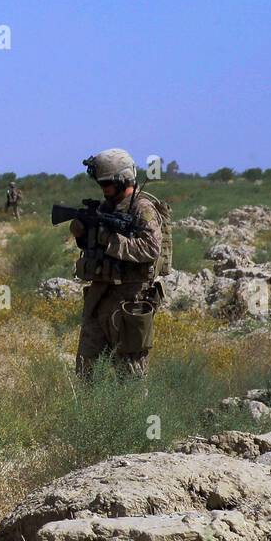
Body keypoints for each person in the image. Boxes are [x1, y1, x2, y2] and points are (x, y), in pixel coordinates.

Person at [68, 148, 166, 376]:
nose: (103, 190)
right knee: (86, 370)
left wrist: (109, 240)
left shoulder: (142, 208)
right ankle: (87, 411)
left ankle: (132, 413)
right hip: (99, 296)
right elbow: (93, 248)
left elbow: (151, 248)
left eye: (107, 184)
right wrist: (82, 234)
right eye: (100, 184)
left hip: (129, 302)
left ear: (123, 180)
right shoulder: (105, 207)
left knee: (131, 374)